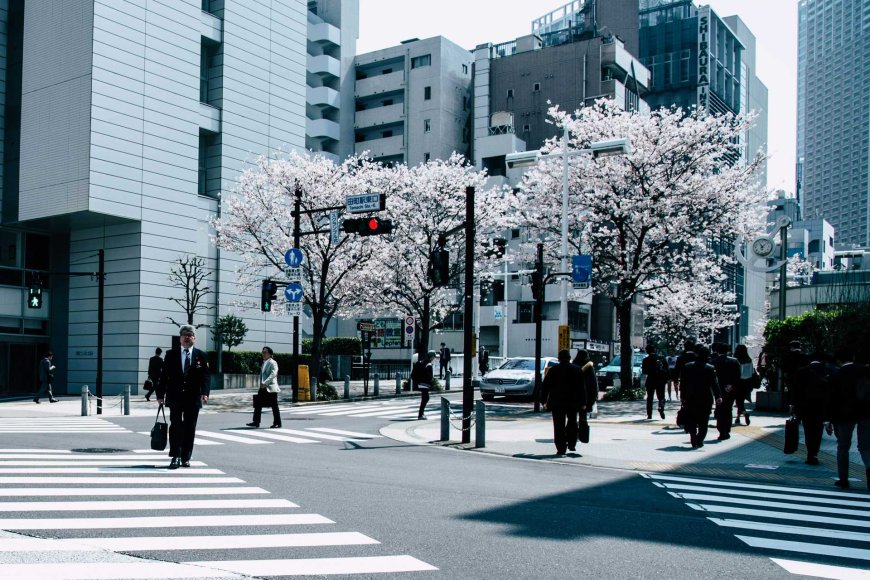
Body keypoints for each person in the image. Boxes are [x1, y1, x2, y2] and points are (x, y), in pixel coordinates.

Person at [156, 325, 210, 469]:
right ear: (180, 338)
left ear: (194, 338)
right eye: (184, 335)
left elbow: (205, 376)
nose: (187, 337)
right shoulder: (171, 354)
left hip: (193, 398)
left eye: (190, 335)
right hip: (175, 396)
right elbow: (164, 376)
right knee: (175, 427)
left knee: (190, 427)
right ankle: (175, 456)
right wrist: (160, 395)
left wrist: (205, 392)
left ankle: (186, 457)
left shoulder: (201, 355)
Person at [827, 349, 870, 489]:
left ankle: (843, 479)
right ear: (852, 357)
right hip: (866, 413)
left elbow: (831, 400)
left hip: (844, 416)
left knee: (843, 446)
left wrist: (828, 420)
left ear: (838, 361)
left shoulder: (836, 375)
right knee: (865, 446)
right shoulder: (865, 370)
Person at [791, 351, 831, 466]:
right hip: (820, 407)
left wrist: (793, 404)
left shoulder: (801, 371)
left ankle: (810, 453)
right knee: (818, 431)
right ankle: (814, 453)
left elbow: (796, 390)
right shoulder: (825, 371)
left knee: (808, 430)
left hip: (804, 407)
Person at [679, 345, 722, 449]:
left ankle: (693, 435)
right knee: (704, 421)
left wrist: (682, 396)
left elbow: (683, 383)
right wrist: (718, 396)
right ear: (707, 356)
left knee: (692, 418)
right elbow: (714, 384)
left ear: (696, 354)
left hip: (691, 397)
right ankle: (700, 439)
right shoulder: (710, 368)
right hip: (705, 397)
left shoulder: (687, 366)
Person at [541, 349, 583, 455]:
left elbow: (545, 386)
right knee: (572, 422)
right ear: (569, 358)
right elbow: (582, 388)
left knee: (558, 425)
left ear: (559, 359)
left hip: (557, 402)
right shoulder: (577, 369)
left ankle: (561, 447)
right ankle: (572, 443)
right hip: (573, 402)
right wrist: (583, 402)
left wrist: (543, 400)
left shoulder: (554, 370)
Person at [711, 342, 741, 440]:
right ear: (727, 350)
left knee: (719, 409)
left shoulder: (714, 362)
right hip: (730, 389)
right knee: (728, 409)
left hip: (719, 389)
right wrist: (731, 385)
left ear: (717, 351)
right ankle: (727, 430)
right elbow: (738, 376)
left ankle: (721, 430)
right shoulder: (734, 361)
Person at [247, 346, 281, 429]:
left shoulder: (273, 362)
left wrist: (265, 383)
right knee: (258, 404)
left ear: (270, 354)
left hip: (270, 387)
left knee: (274, 406)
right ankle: (256, 422)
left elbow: (273, 374)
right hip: (263, 387)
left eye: (265, 352)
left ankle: (277, 422)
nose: (263, 354)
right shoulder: (264, 362)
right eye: (262, 352)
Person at [573, 349, 598, 430]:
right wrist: (594, 397)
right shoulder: (589, 367)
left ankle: (572, 431)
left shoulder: (573, 365)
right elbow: (593, 383)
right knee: (583, 416)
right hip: (586, 396)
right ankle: (582, 432)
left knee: (572, 416)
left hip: (574, 395)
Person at [642, 345, 667, 420]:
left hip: (650, 380)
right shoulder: (661, 358)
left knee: (650, 398)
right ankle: (661, 407)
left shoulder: (646, 360)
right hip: (660, 380)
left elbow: (644, 371)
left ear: (647, 351)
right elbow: (666, 368)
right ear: (655, 350)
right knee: (661, 397)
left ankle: (649, 414)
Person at [733, 344, 756, 426]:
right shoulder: (749, 360)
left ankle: (745, 413)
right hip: (747, 383)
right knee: (741, 400)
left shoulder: (736, 360)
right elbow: (752, 372)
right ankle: (738, 417)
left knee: (738, 401)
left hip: (738, 382)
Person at [416, 351, 436, 420]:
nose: (434, 358)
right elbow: (429, 375)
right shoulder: (428, 364)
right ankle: (420, 415)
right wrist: (430, 382)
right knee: (425, 399)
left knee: (425, 398)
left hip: (420, 383)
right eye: (434, 357)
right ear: (431, 357)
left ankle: (421, 414)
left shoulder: (423, 362)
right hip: (425, 384)